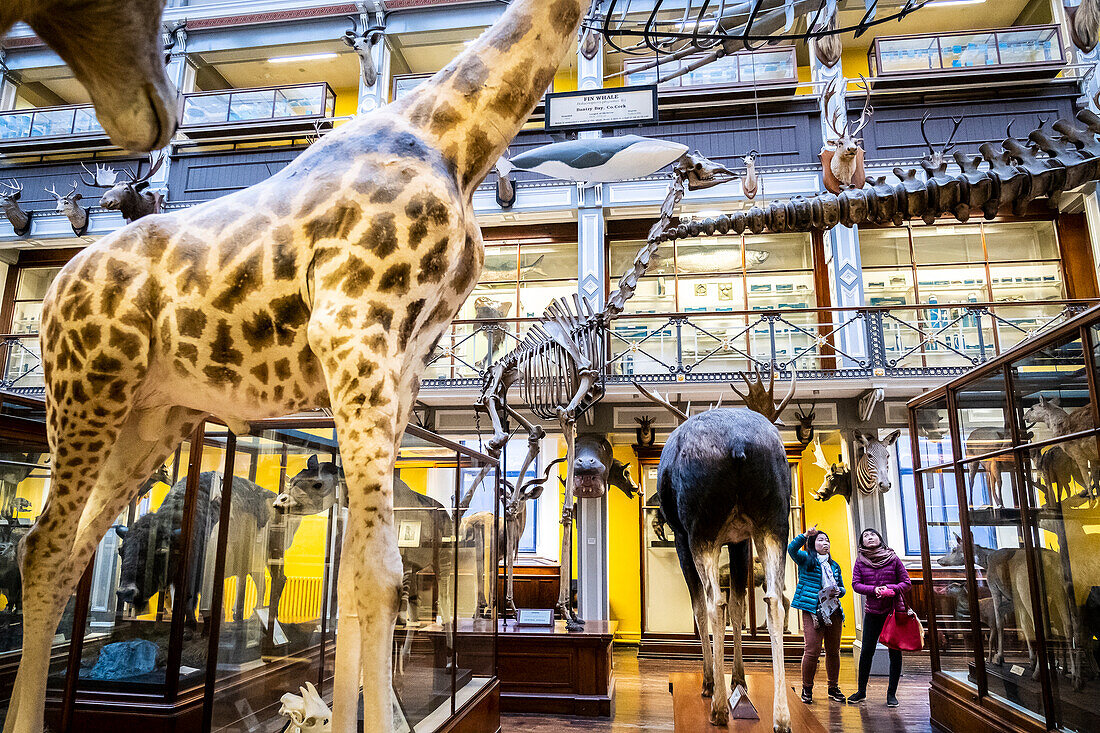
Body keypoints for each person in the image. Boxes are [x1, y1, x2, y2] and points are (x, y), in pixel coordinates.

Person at [848, 528, 912, 707]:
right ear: (862, 543)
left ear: (879, 538)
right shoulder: (861, 561)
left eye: (872, 535)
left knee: (895, 652)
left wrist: (890, 588)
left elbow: (906, 583)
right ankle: (861, 692)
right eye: (866, 536)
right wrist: (874, 590)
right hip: (872, 613)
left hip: (892, 612)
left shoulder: (893, 558)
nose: (869, 537)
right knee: (867, 651)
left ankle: (892, 694)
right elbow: (856, 584)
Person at [789, 524, 846, 704]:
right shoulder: (806, 559)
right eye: (821, 540)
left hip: (833, 610)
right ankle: (807, 688)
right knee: (812, 651)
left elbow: (842, 586)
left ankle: (833, 687)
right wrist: (805, 535)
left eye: (827, 540)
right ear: (813, 544)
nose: (825, 543)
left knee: (833, 651)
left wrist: (840, 591)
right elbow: (791, 549)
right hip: (813, 609)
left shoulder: (834, 565)